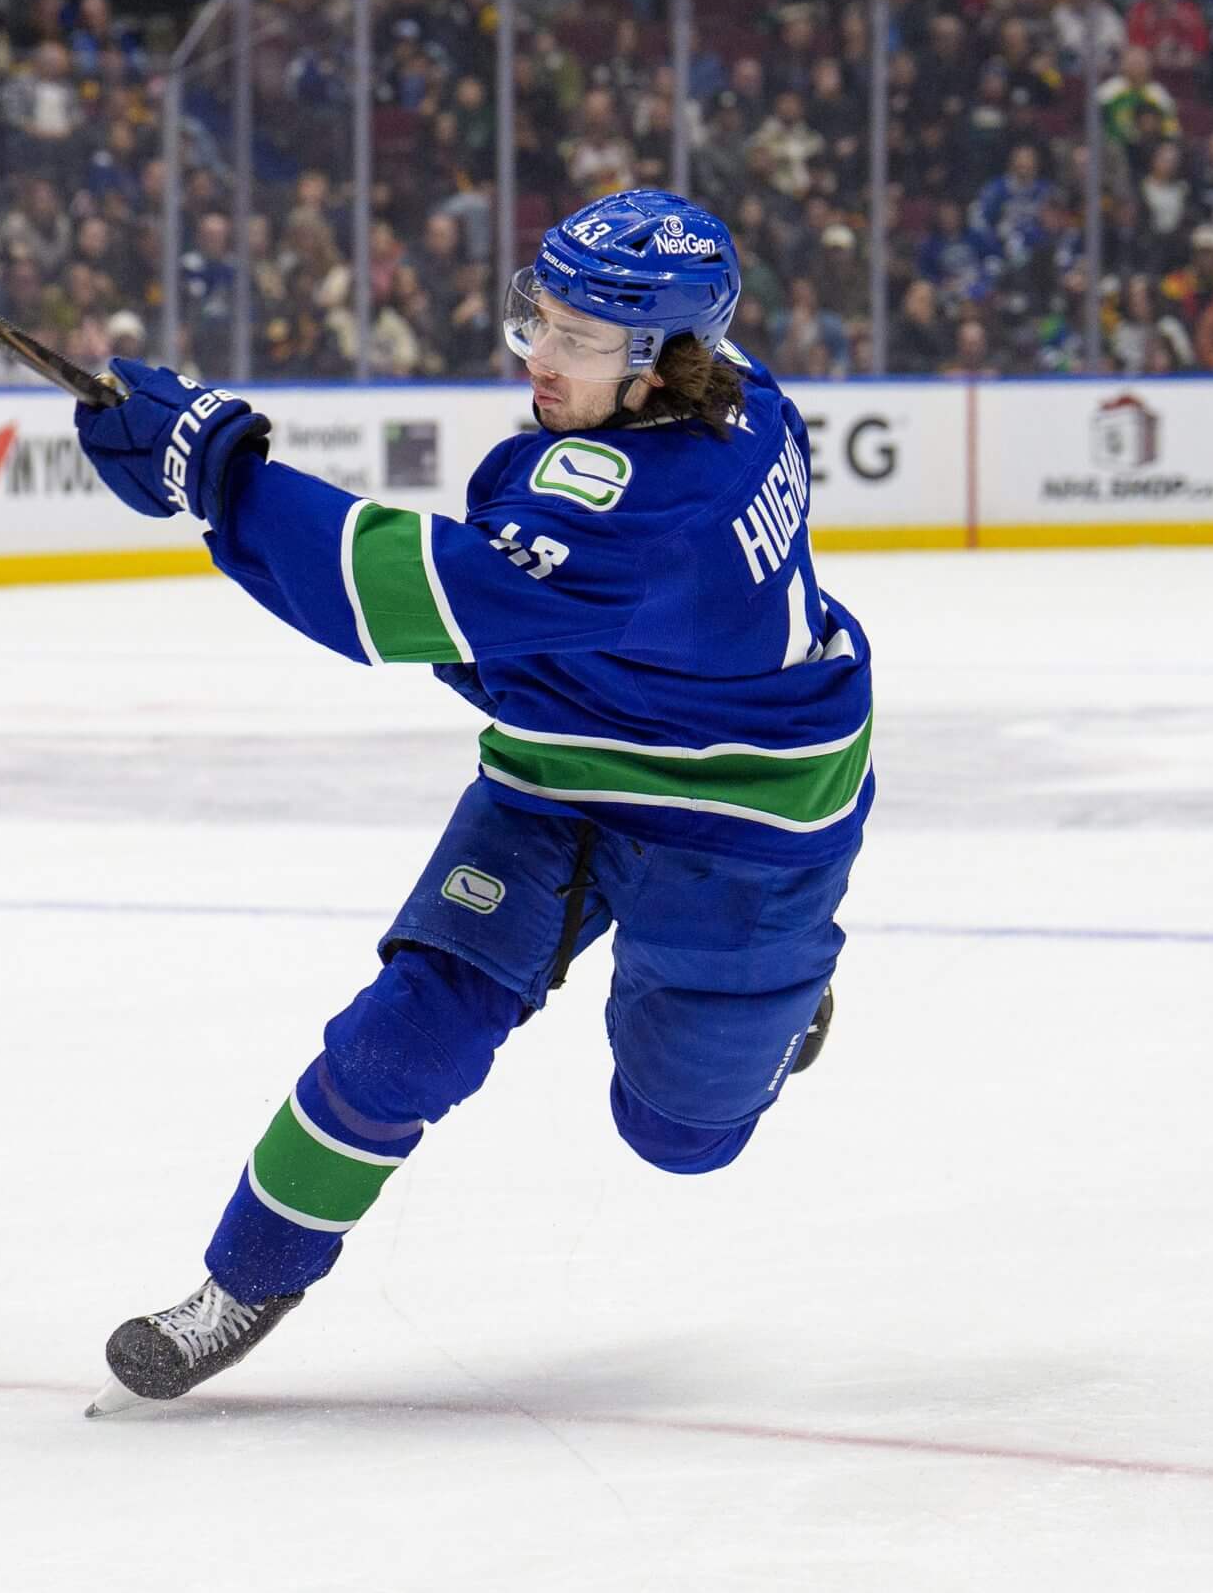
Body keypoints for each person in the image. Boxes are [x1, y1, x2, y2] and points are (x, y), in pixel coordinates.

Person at [70, 190, 871, 1409]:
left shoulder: (651, 506)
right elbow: (505, 615)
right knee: (405, 1033)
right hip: (558, 775)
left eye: (577, 338)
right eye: (535, 320)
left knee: (678, 1137)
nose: (538, 358)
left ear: (669, 364)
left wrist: (215, 473)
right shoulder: (727, 389)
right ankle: (243, 1278)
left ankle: (791, 998)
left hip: (743, 827)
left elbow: (399, 599)